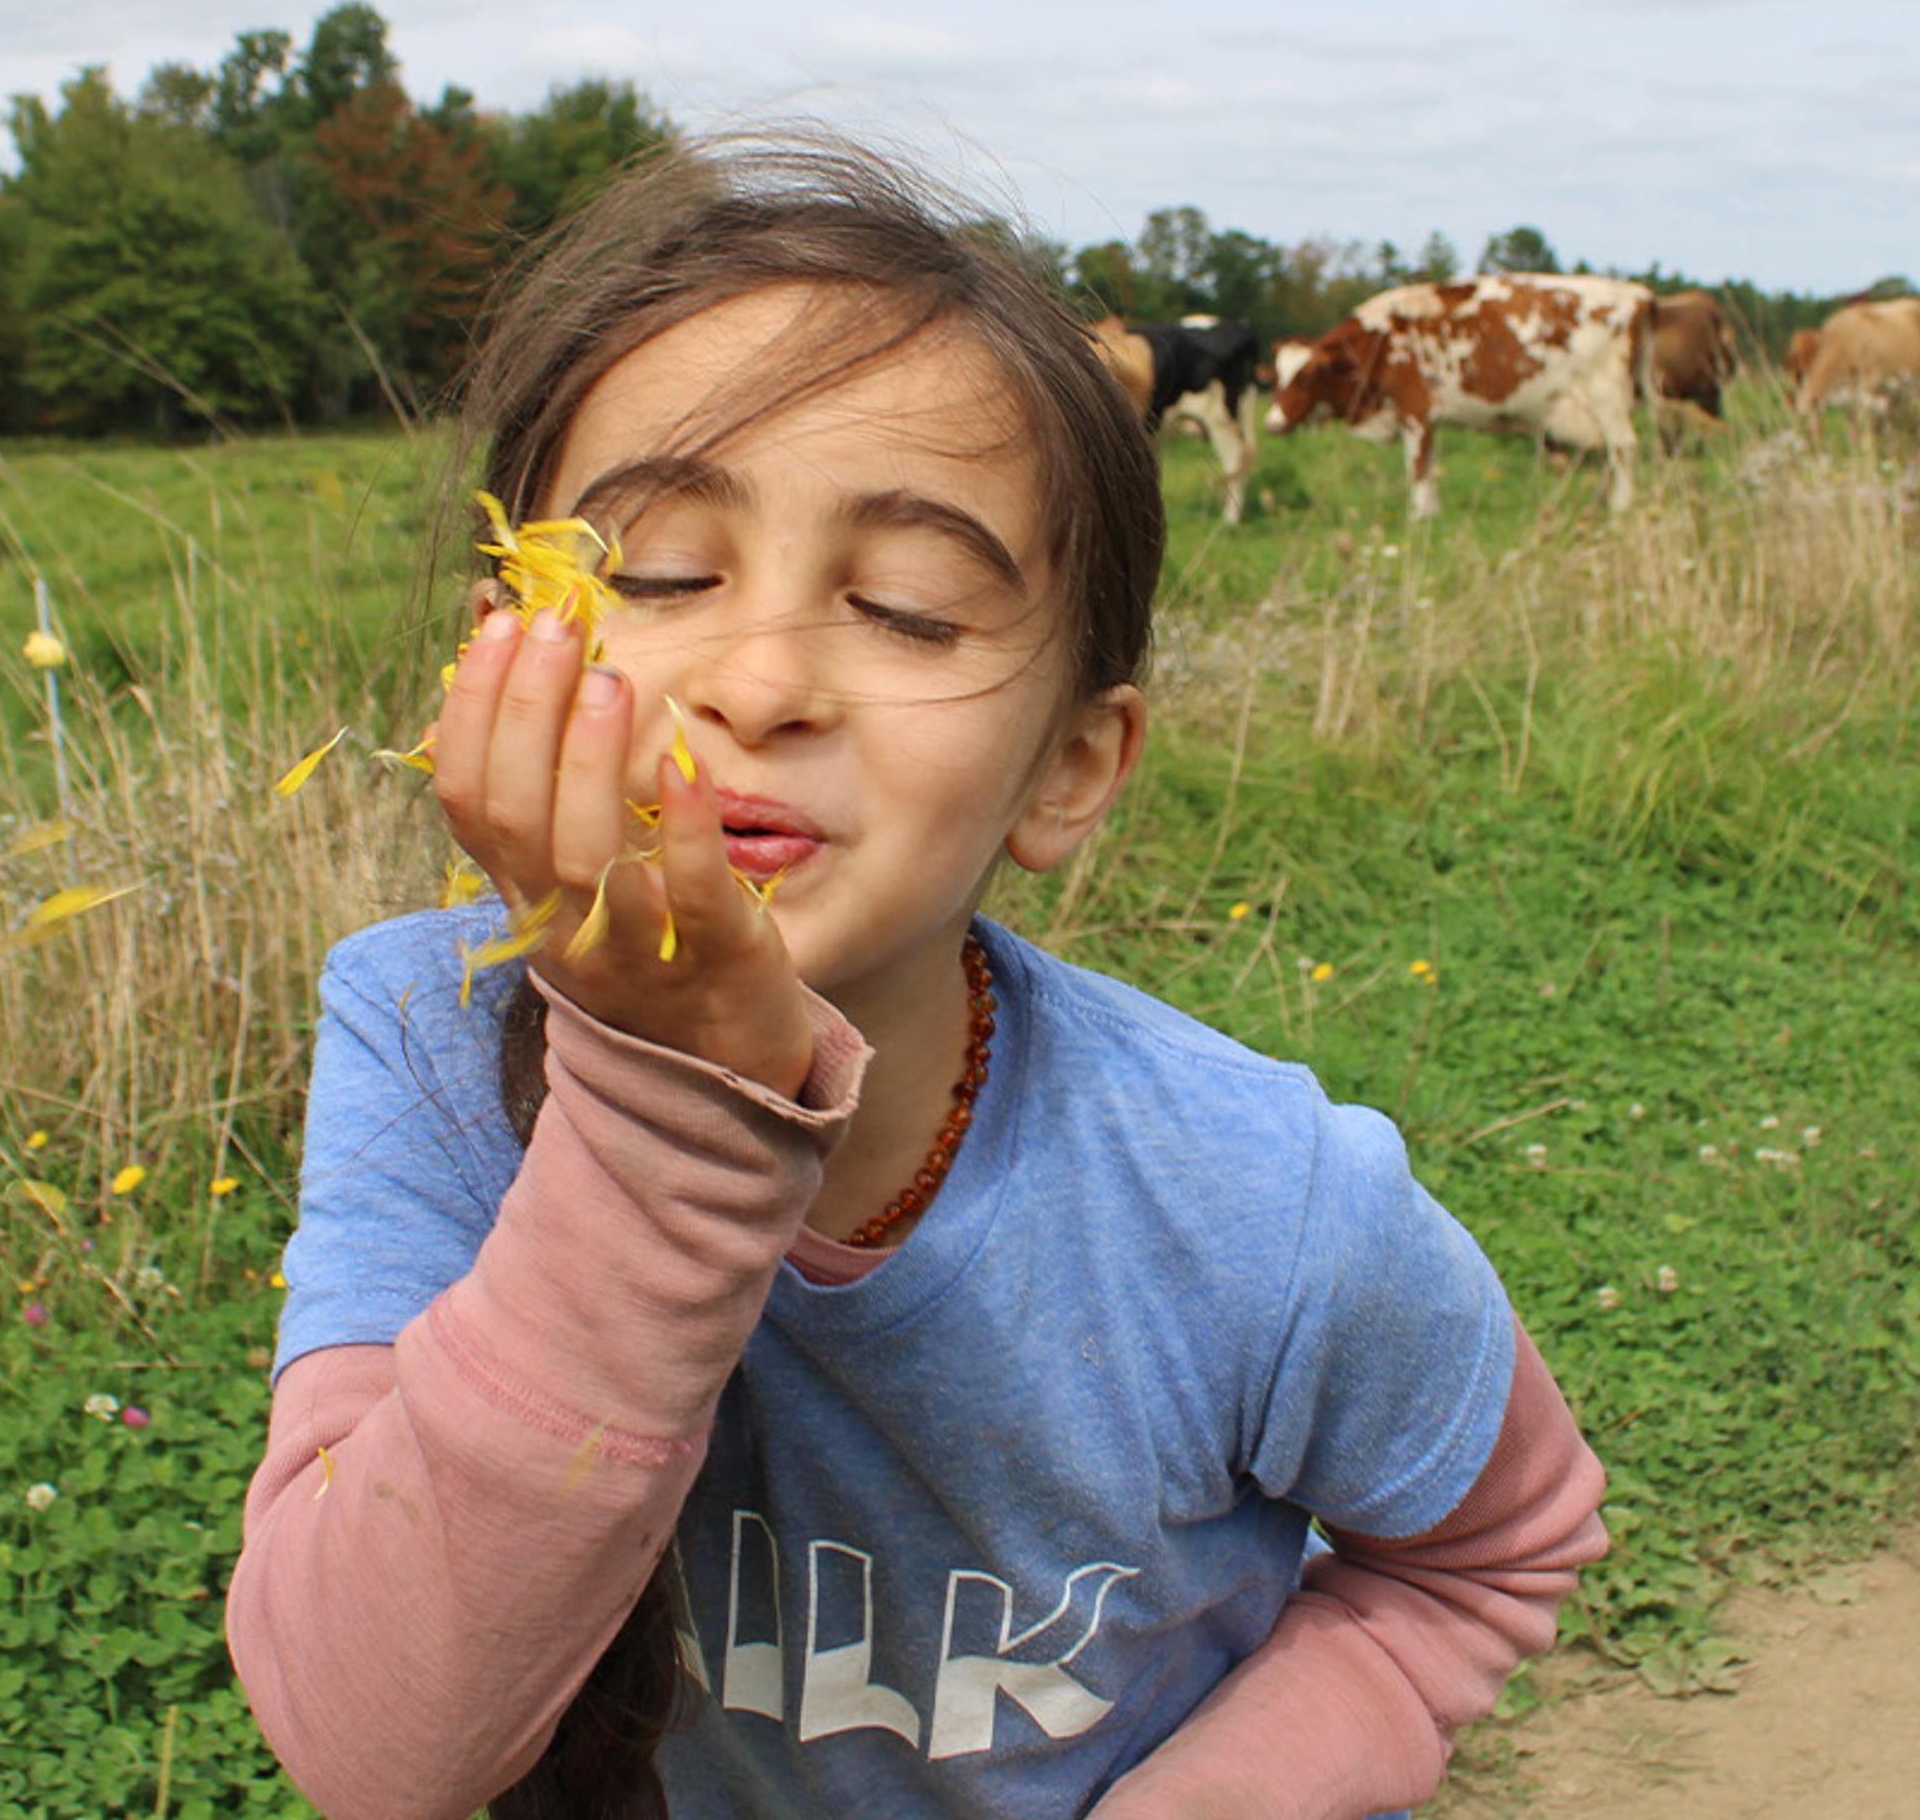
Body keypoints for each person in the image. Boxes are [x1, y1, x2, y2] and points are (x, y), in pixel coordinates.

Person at [227, 134, 1608, 1819]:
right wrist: (670, 1109)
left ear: (1071, 768)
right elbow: (380, 1743)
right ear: (503, 644)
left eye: (907, 606)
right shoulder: (425, 1044)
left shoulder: (1267, 1204)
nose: (761, 678)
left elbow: (1487, 1560)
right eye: (652, 573)